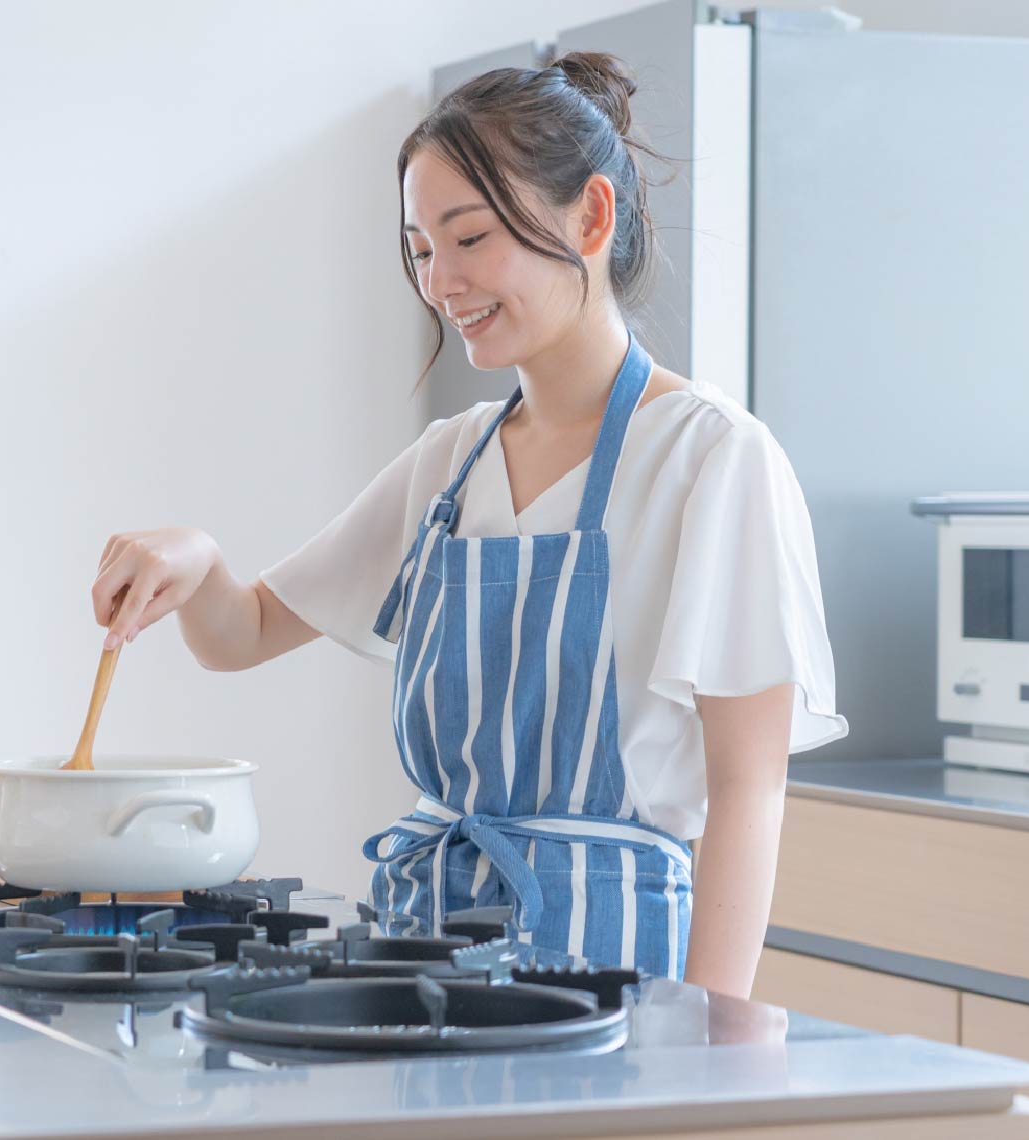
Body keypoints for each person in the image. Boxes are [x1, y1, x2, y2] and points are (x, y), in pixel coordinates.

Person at [89, 52, 845, 999]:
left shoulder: (710, 458)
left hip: (616, 981)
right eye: (418, 249)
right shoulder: (452, 460)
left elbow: (749, 788)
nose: (441, 282)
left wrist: (714, 1035)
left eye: (469, 237)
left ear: (592, 218)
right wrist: (197, 560)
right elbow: (239, 634)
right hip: (425, 962)